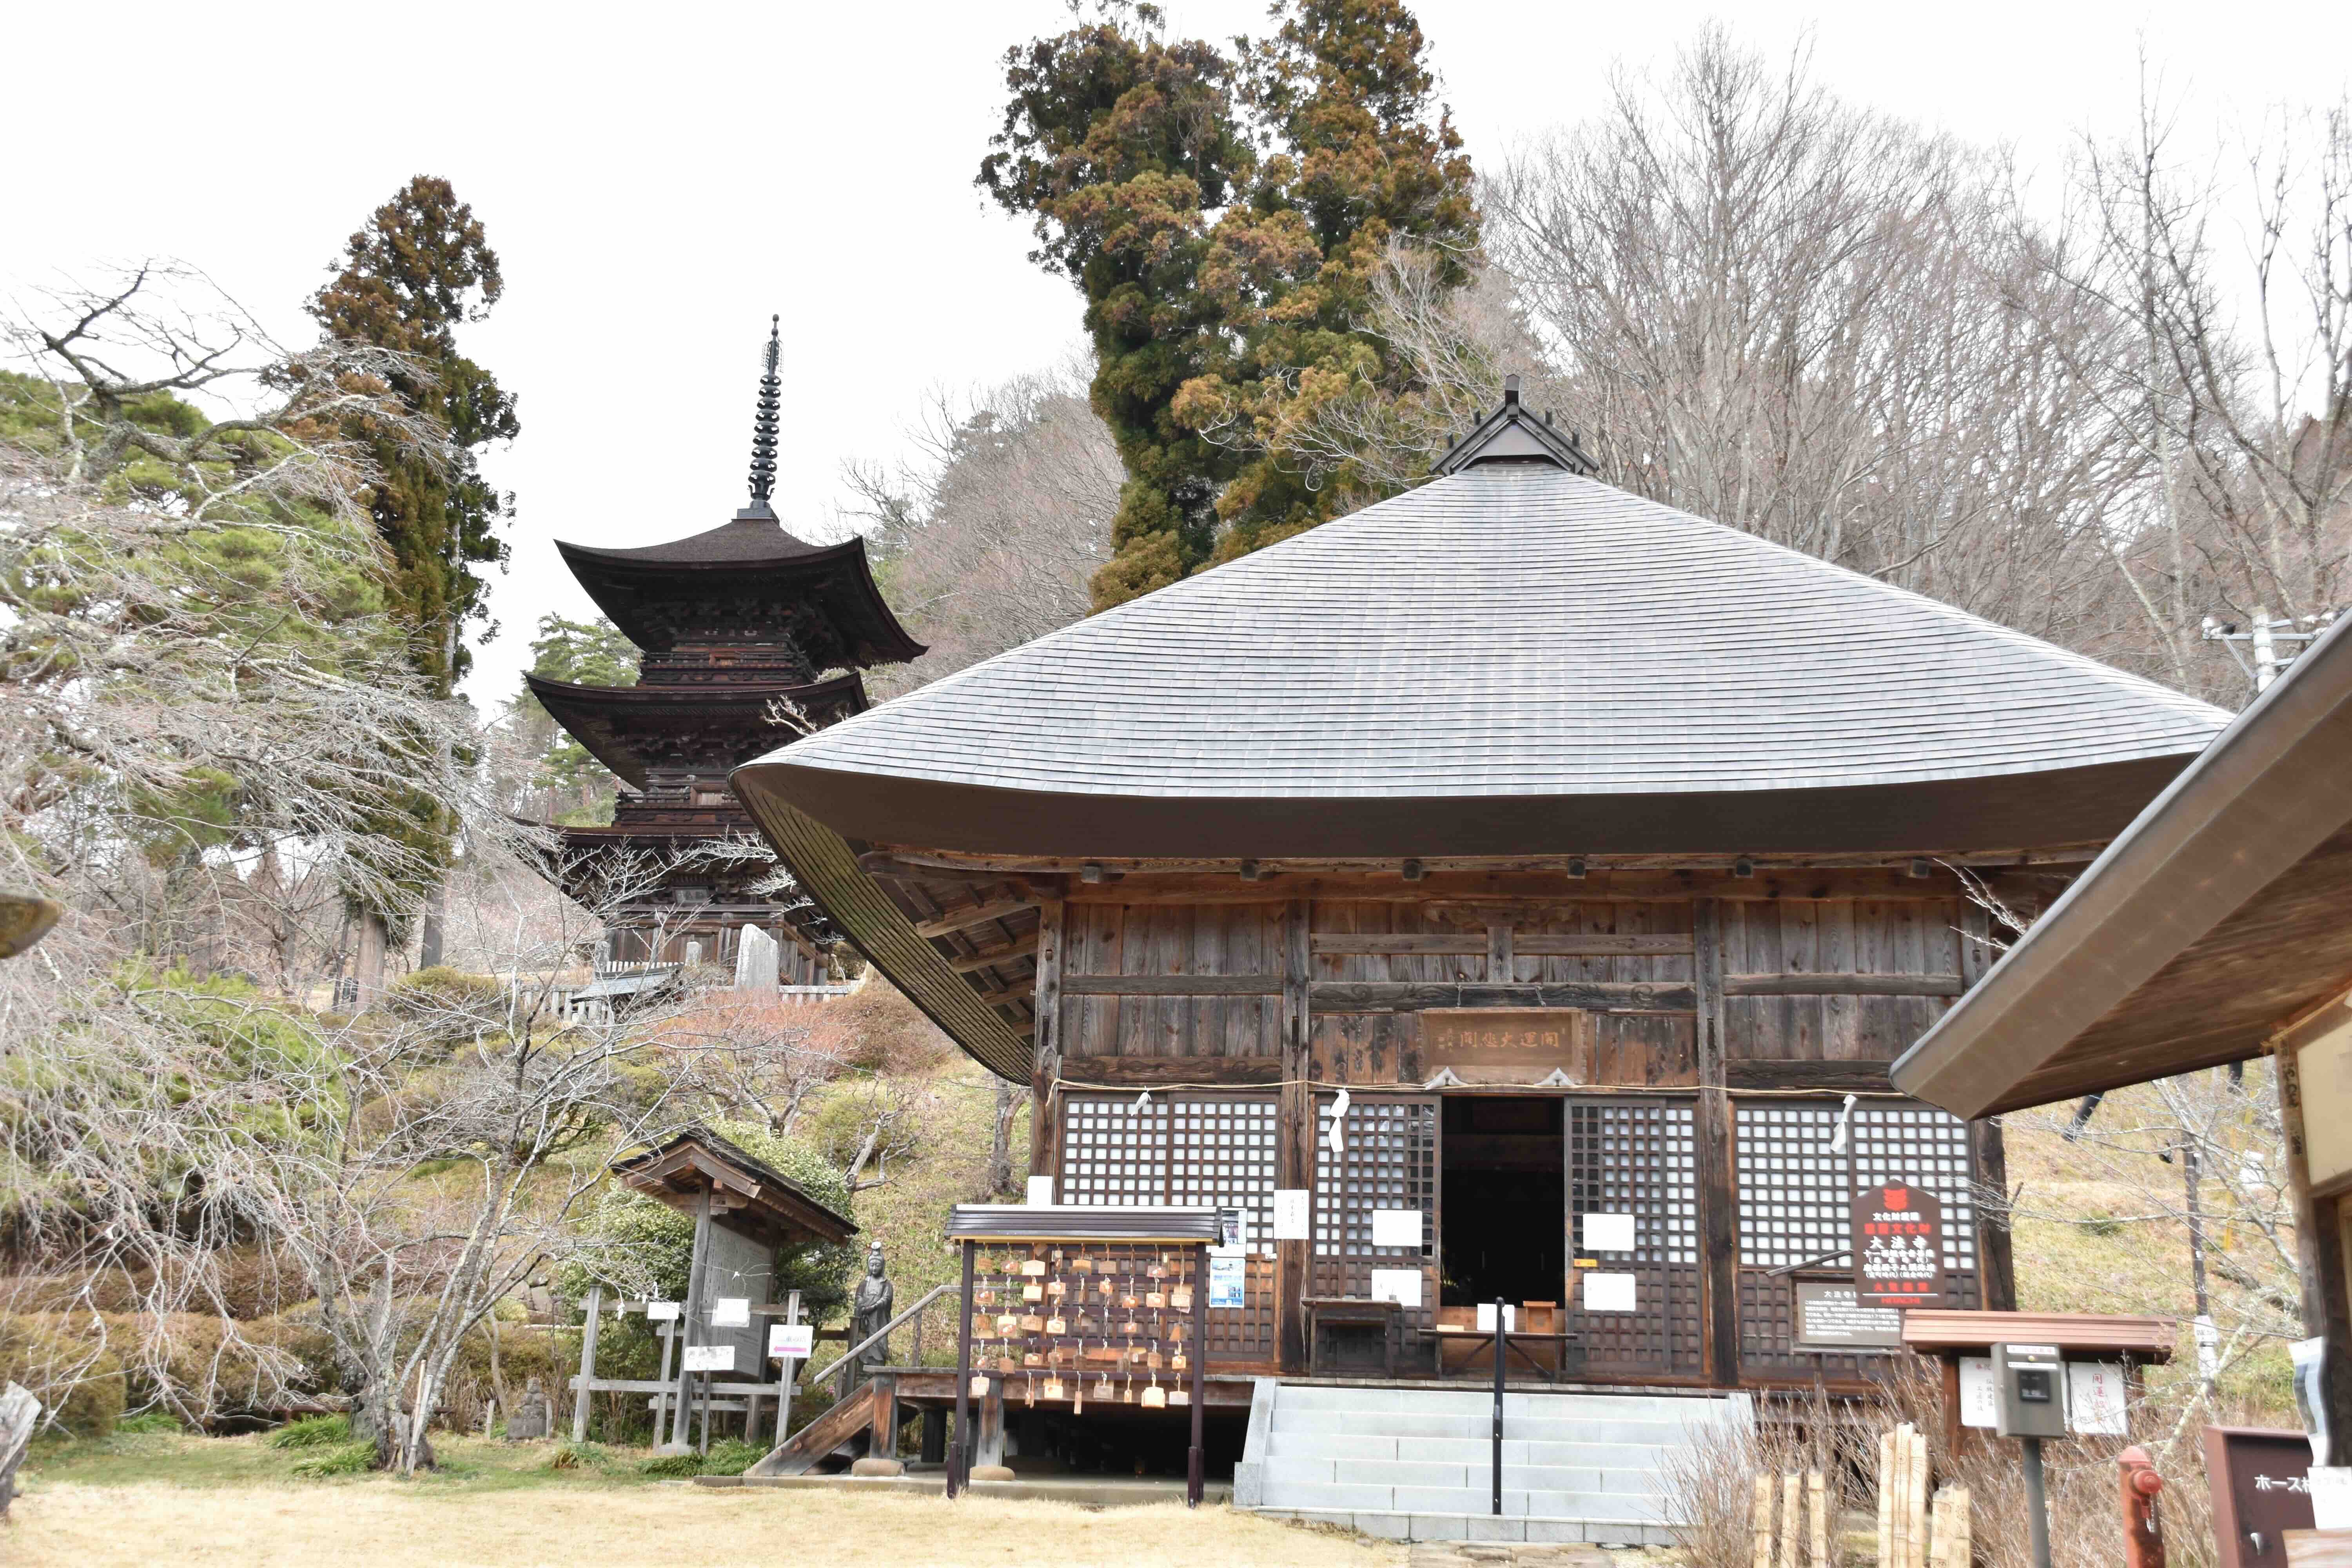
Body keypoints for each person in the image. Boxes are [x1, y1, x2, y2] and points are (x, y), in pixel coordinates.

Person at [850, 1242, 893, 1377]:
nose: (874, 1268)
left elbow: (887, 1299)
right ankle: (863, 1370)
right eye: (872, 1265)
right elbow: (858, 1297)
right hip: (866, 1319)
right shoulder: (864, 1283)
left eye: (877, 1265)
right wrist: (863, 1307)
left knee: (878, 1342)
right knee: (863, 1342)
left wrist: (874, 1306)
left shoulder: (886, 1284)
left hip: (879, 1320)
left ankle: (878, 1370)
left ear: (882, 1266)